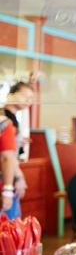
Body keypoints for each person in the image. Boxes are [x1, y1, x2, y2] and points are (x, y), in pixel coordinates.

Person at [1, 82, 35, 219]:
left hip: (8, 175)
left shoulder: (12, 119)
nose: (28, 101)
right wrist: (18, 176)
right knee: (10, 224)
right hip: (6, 176)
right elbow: (6, 156)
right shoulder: (5, 119)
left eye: (31, 98)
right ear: (11, 95)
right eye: (24, 96)